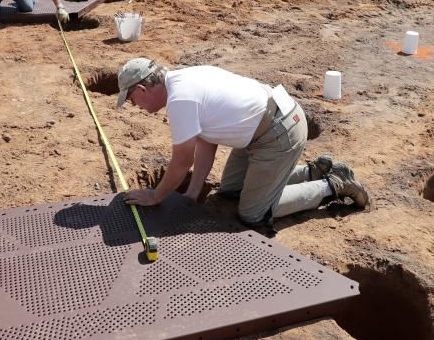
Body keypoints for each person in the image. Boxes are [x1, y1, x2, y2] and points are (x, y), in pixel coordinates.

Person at [115, 58, 369, 233]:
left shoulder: (180, 99)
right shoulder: (183, 78)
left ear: (142, 88)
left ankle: (333, 184)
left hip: (279, 132)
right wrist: (191, 194)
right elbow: (206, 141)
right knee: (230, 190)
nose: (135, 106)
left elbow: (183, 161)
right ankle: (312, 171)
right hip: (264, 128)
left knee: (254, 213)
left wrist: (156, 195)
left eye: (132, 99)